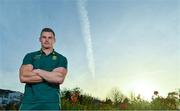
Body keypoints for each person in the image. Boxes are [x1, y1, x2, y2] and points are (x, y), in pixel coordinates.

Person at [19, 28, 68, 110]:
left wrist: (37, 70)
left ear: (54, 40)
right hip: (29, 103)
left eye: (50, 37)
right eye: (44, 37)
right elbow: (23, 76)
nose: (47, 40)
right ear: (40, 39)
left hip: (52, 104)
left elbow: (58, 78)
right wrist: (50, 75)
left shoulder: (61, 58)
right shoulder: (30, 56)